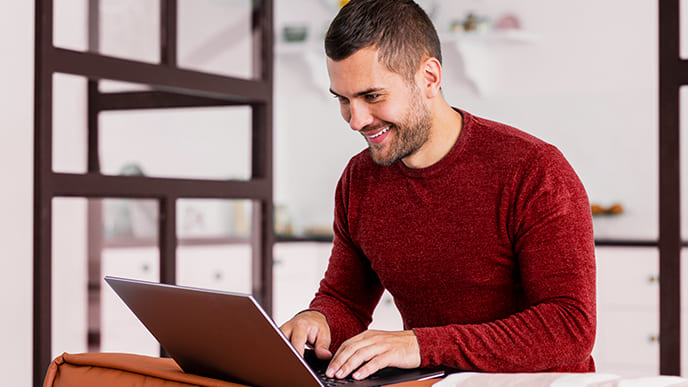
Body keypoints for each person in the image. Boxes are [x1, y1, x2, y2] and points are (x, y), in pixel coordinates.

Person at [280, 0, 596, 381]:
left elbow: (570, 327)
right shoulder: (358, 180)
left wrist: (420, 345)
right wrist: (318, 319)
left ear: (429, 77)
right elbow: (345, 299)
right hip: (435, 381)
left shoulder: (534, 170)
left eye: (372, 96)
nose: (356, 120)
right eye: (343, 100)